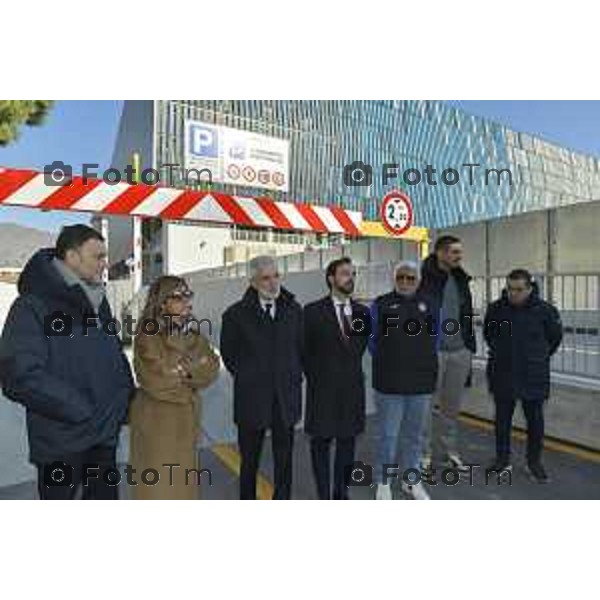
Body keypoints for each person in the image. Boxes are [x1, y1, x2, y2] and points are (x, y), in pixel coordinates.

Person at [0, 225, 134, 500]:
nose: (105, 263)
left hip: (103, 438)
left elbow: (113, 354)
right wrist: (80, 408)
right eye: (97, 256)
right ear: (72, 257)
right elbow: (19, 375)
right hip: (62, 443)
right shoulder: (32, 306)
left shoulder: (99, 301)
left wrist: (125, 397)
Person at [128, 276, 220, 499]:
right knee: (159, 491)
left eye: (189, 295)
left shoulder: (192, 330)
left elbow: (212, 368)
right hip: (157, 425)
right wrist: (193, 372)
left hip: (186, 424)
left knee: (184, 491)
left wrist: (184, 371)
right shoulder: (148, 332)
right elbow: (157, 381)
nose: (187, 301)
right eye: (179, 297)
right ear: (162, 302)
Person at [220, 255, 303, 500]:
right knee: (249, 461)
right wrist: (251, 378)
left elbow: (301, 348)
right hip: (252, 400)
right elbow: (230, 356)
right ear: (253, 282)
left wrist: (291, 375)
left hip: (285, 398)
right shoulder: (235, 315)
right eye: (265, 278)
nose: (273, 283)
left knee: (285, 460)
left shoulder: (293, 310)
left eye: (276, 276)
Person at [484, 269, 563, 483]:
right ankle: (502, 459)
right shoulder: (496, 309)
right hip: (503, 372)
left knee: (535, 421)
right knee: (502, 420)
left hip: (533, 374)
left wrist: (536, 357)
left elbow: (554, 339)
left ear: (529, 288)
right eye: (510, 289)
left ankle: (533, 462)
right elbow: (489, 336)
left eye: (519, 290)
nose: (514, 294)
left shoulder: (545, 311)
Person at [370, 261, 438, 500]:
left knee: (414, 436)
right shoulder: (381, 304)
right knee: (387, 435)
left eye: (411, 278)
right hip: (389, 383)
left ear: (418, 281)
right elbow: (372, 341)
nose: (406, 282)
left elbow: (435, 337)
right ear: (394, 279)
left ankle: (412, 481)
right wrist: (391, 360)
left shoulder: (429, 304)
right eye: (401, 278)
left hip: (420, 383)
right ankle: (383, 481)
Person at [303, 258, 369, 500]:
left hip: (352, 391)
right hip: (322, 392)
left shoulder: (363, 312)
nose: (350, 278)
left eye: (352, 273)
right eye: (344, 273)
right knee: (320, 445)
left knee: (347, 446)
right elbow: (303, 351)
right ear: (331, 278)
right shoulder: (311, 312)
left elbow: (358, 349)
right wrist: (319, 377)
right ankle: (323, 496)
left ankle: (341, 494)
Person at [419, 234, 476, 474]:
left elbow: (467, 315)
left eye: (459, 252)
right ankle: (424, 455)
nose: (459, 256)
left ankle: (450, 452)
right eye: (454, 252)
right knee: (425, 408)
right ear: (440, 253)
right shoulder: (423, 279)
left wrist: (468, 348)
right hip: (433, 352)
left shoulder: (461, 279)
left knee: (451, 408)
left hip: (459, 351)